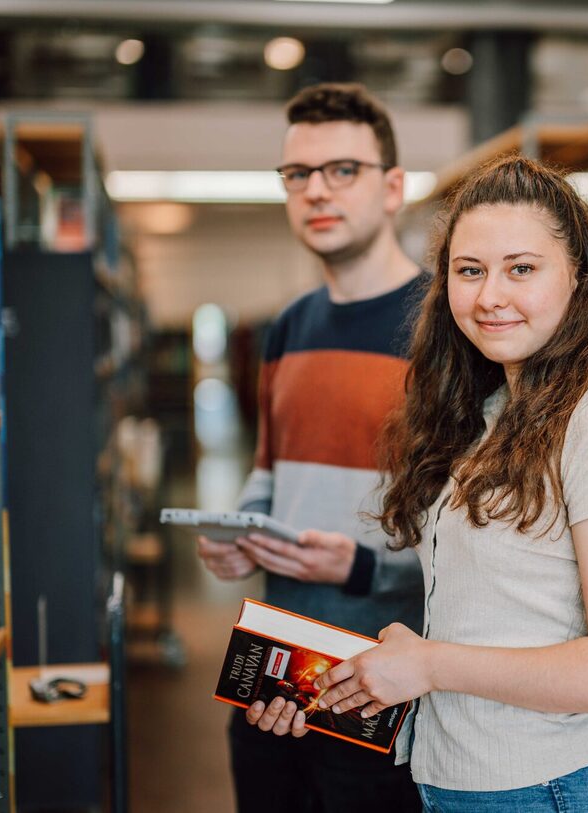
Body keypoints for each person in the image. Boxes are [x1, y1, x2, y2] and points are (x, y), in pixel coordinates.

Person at [246, 155, 588, 812]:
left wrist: (430, 664)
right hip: (457, 784)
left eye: (522, 268)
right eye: (470, 271)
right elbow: (491, 621)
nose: (490, 295)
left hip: (554, 791)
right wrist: (337, 686)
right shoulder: (491, 416)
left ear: (579, 276)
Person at [195, 82, 425, 813]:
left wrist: (362, 564)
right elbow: (269, 471)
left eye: (342, 171)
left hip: (382, 682)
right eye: (298, 175)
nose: (316, 191)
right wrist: (237, 533)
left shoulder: (447, 335)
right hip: (275, 675)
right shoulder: (288, 325)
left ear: (392, 187)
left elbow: (480, 537)